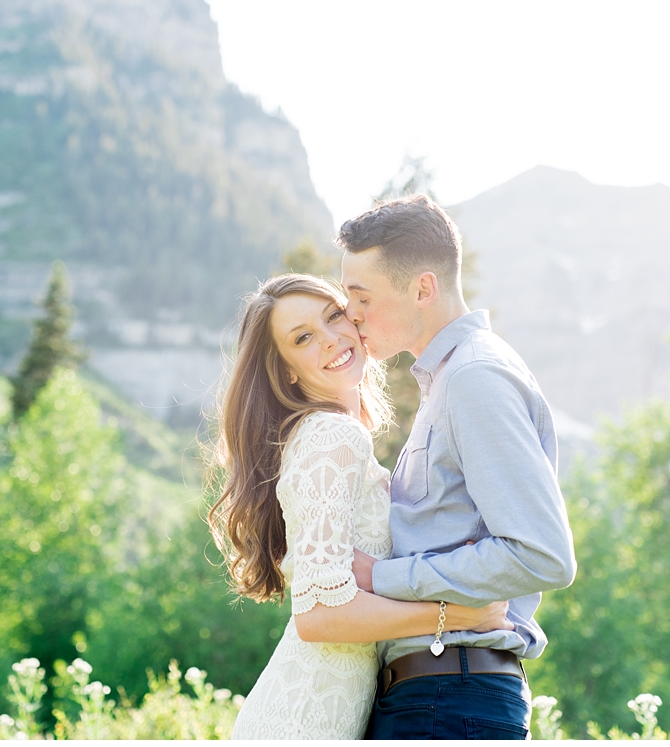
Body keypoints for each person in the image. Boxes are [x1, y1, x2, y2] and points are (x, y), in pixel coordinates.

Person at [211, 273, 512, 739]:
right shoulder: (331, 436)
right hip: (303, 720)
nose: (332, 339)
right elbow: (318, 616)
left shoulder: (335, 438)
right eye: (304, 337)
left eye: (334, 316)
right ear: (287, 369)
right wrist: (459, 614)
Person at [339, 194, 578, 740]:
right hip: (437, 693)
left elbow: (543, 554)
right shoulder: (451, 381)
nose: (352, 315)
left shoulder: (474, 378)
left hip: (449, 697)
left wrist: (382, 576)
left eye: (362, 297)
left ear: (422, 287)